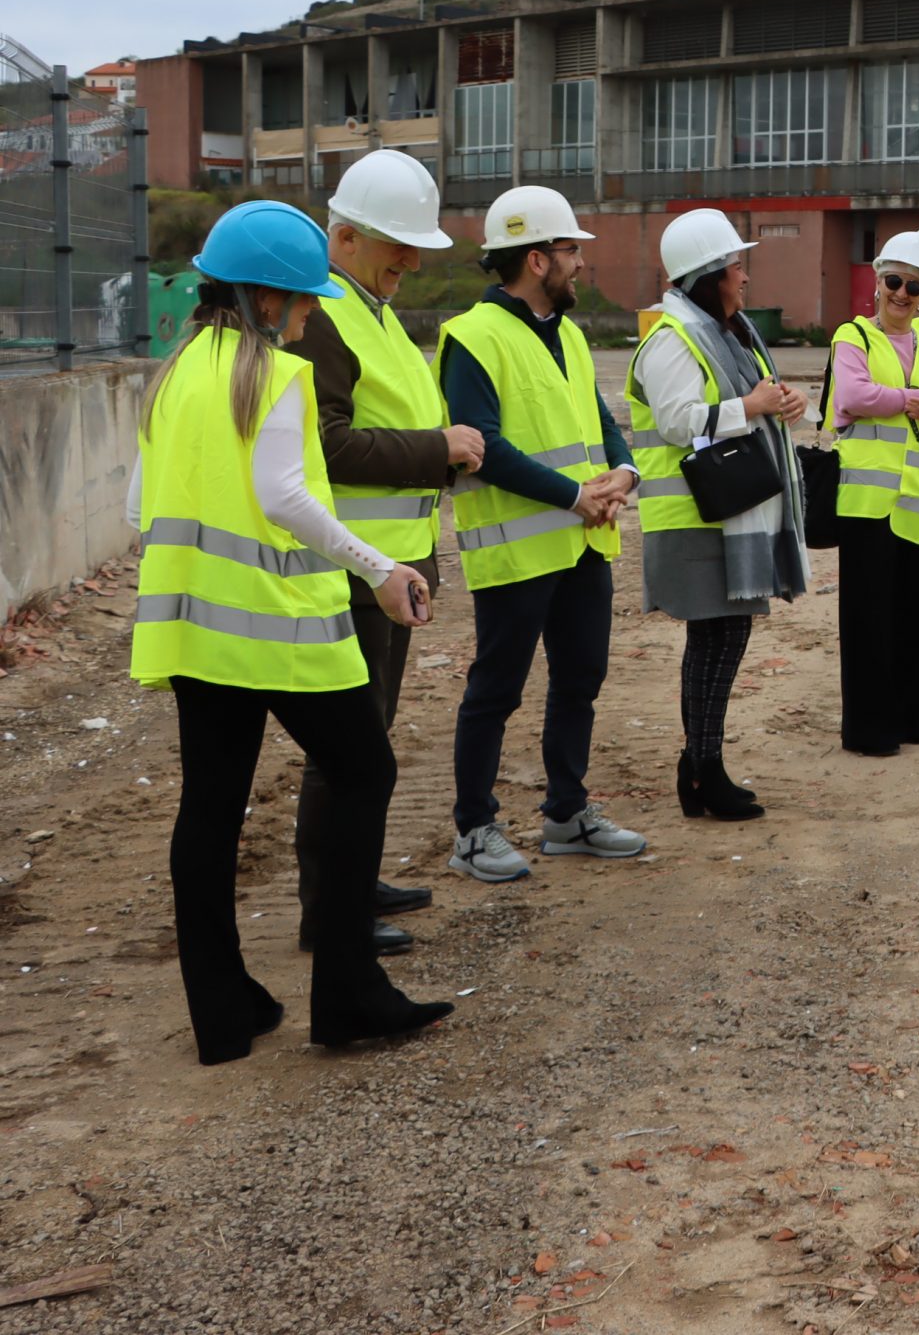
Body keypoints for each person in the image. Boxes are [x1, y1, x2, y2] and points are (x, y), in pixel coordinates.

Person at [127, 201, 452, 1062]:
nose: (312, 314)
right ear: (267, 299)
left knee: (210, 808)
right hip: (283, 633)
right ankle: (348, 995)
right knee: (365, 769)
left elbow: (139, 505)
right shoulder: (275, 375)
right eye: (303, 301)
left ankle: (223, 1014)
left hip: (194, 632)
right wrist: (380, 570)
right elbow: (285, 498)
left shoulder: (175, 372)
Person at [284, 149, 472, 956]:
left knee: (373, 736)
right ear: (347, 235)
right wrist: (437, 447)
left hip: (394, 565)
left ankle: (352, 877)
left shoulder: (375, 310)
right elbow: (322, 445)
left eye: (415, 245)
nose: (409, 259)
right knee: (348, 747)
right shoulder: (324, 315)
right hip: (352, 568)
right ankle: (331, 906)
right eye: (396, 243)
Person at [440, 185, 647, 882]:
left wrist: (623, 471)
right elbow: (481, 446)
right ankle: (473, 829)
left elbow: (599, 418)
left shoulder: (570, 333)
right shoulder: (473, 336)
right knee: (496, 689)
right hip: (517, 545)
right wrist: (573, 495)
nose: (580, 262)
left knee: (580, 678)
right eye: (570, 249)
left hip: (582, 541)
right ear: (536, 258)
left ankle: (566, 814)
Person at [630, 209, 810, 819]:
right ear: (708, 277)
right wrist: (750, 403)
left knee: (721, 639)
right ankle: (703, 771)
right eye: (736, 266)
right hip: (693, 518)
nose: (744, 278)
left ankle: (702, 767)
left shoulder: (724, 332)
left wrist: (780, 401)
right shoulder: (671, 338)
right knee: (717, 640)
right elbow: (678, 419)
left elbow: (742, 401)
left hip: (724, 513)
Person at [827, 230, 919, 756]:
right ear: (878, 279)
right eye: (894, 282)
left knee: (918, 614)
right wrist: (916, 398)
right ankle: (870, 729)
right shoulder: (854, 337)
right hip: (869, 504)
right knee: (868, 618)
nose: (903, 294)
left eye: (915, 287)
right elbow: (855, 395)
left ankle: (917, 718)